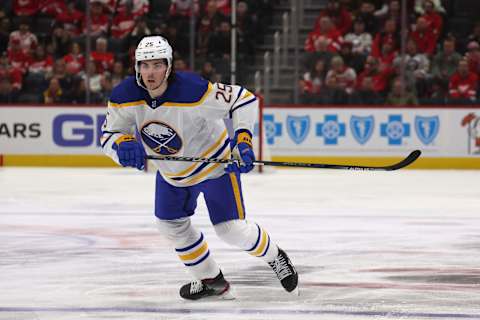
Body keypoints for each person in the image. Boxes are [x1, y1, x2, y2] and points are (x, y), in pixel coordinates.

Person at [100, 35, 298, 300]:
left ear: (168, 66)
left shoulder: (193, 90)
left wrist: (243, 139)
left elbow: (244, 99)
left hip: (214, 166)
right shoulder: (124, 96)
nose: (150, 73)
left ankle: (276, 257)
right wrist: (121, 145)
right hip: (171, 173)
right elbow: (109, 135)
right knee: (170, 225)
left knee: (232, 231)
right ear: (136, 67)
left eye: (157, 65)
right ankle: (211, 279)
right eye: (145, 65)